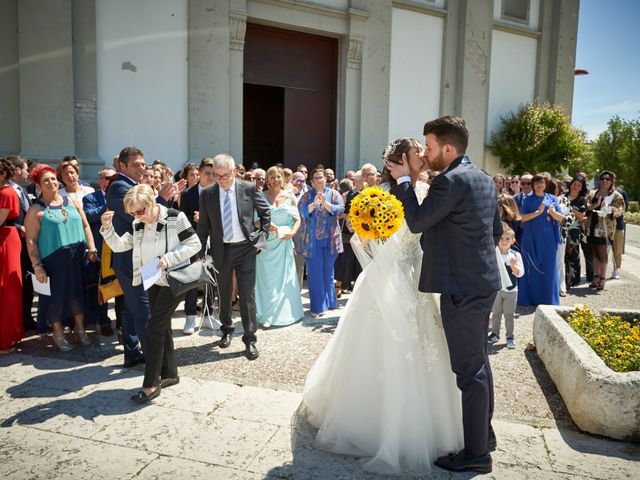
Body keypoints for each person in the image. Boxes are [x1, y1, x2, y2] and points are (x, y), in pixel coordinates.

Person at [302, 138, 463, 475]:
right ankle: (373, 424)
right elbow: (364, 238)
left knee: (426, 346)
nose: (422, 154)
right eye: (417, 151)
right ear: (400, 160)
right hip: (388, 276)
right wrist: (380, 253)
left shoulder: (430, 189)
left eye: (423, 150)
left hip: (419, 275)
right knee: (384, 345)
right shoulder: (381, 196)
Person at [387, 116, 502, 474]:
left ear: (448, 149)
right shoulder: (483, 179)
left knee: (469, 371)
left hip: (462, 288)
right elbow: (495, 230)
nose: (427, 152)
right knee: (479, 361)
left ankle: (477, 453)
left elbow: (418, 222)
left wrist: (405, 180)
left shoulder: (449, 181)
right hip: (482, 283)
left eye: (431, 146)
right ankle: (485, 434)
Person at [100, 184, 201, 403]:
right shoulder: (138, 224)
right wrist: (107, 228)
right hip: (151, 278)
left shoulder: (175, 217)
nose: (137, 216)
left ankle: (151, 383)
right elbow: (120, 246)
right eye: (133, 213)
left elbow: (195, 244)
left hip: (174, 278)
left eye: (140, 211)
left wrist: (169, 258)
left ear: (152, 203)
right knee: (161, 327)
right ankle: (170, 374)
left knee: (153, 328)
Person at [196, 154, 270, 360]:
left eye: (225, 175)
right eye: (217, 176)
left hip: (246, 249)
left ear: (234, 172)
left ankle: (250, 339)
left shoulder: (247, 187)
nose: (221, 180)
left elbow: (266, 213)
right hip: (221, 250)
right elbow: (203, 227)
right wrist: (200, 254)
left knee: (247, 296)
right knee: (225, 294)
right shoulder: (208, 194)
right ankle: (227, 329)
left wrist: (260, 239)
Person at [24, 165, 98, 351]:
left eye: (53, 179)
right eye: (45, 180)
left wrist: (92, 248)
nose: (51, 183)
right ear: (39, 185)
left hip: (77, 257)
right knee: (56, 299)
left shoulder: (71, 200)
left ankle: (80, 329)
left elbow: (86, 226)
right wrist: (37, 266)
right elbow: (31, 240)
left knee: (78, 295)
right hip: (53, 261)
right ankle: (57, 333)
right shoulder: (35, 210)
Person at [106, 147, 149, 367]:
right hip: (128, 258)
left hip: (142, 257)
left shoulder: (135, 186)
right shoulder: (119, 187)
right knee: (142, 307)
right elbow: (137, 216)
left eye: (143, 164)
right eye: (136, 164)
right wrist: (159, 197)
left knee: (134, 307)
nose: (141, 168)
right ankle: (151, 355)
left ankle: (132, 353)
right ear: (122, 166)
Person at [255, 166, 304, 328]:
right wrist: (266, 224)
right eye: (272, 177)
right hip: (266, 245)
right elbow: (254, 221)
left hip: (283, 242)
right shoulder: (261, 197)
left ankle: (284, 314)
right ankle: (267, 315)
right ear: (268, 179)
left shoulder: (290, 196)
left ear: (282, 179)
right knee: (267, 281)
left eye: (278, 177)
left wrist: (292, 233)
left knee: (283, 281)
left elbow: (297, 219)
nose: (276, 180)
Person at [297, 166, 344, 318]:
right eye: (315, 178)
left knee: (328, 271)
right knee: (315, 273)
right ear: (311, 181)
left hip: (331, 238)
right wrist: (315, 204)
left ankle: (330, 303)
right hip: (312, 241)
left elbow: (340, 210)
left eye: (321, 177)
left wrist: (326, 204)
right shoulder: (306, 196)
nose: (318, 180)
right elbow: (302, 213)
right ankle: (317, 307)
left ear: (326, 179)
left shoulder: (334, 193)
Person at [179, 157, 217, 334]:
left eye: (213, 174)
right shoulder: (188, 194)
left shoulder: (218, 192)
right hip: (193, 242)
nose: (210, 177)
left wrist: (208, 220)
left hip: (214, 240)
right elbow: (182, 220)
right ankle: (189, 317)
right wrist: (195, 222)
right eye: (207, 173)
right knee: (193, 279)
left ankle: (208, 315)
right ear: (199, 173)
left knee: (211, 278)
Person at [517, 174, 565, 306]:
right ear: (533, 184)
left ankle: (548, 299)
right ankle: (529, 299)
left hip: (548, 239)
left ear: (546, 184)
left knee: (548, 267)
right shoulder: (528, 200)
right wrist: (538, 212)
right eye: (537, 182)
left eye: (542, 182)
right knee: (531, 267)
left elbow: (561, 218)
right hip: (531, 238)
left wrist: (553, 213)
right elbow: (521, 218)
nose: (539, 185)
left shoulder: (552, 198)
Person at [83, 167, 117, 336]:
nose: (108, 181)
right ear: (99, 180)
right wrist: (108, 204)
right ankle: (103, 320)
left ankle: (121, 324)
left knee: (120, 288)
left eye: (111, 178)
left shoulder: (122, 196)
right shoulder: (90, 198)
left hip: (118, 249)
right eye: (104, 178)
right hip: (100, 248)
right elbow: (89, 217)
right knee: (101, 287)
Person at [6, 155, 36, 331]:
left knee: (27, 282)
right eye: (25, 169)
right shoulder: (6, 190)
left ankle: (25, 317)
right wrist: (19, 228)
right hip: (14, 243)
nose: (28, 172)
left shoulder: (21, 190)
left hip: (26, 245)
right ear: (17, 171)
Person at [584, 171, 625, 291]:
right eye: (603, 178)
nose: (605, 181)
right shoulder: (592, 193)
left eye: (608, 179)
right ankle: (596, 275)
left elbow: (620, 210)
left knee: (602, 253)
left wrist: (610, 210)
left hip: (605, 229)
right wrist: (592, 206)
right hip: (591, 226)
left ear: (612, 181)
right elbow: (586, 206)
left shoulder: (617, 195)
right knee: (594, 252)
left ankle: (603, 277)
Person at [0, 157, 24, 353]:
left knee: (7, 288)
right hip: (4, 237)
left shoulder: (7, 193)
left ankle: (7, 337)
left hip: (6, 239)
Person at [487, 225, 524, 349]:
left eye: (507, 239)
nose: (504, 241)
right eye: (501, 238)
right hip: (496, 289)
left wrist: (513, 266)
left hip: (511, 291)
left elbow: (520, 273)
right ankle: (495, 334)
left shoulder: (515, 255)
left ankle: (510, 336)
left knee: (509, 315)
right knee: (496, 313)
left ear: (513, 240)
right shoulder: (493, 253)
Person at [564, 176, 588, 289]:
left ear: (581, 188)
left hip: (574, 230)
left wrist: (570, 208)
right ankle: (562, 280)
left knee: (573, 254)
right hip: (561, 229)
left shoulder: (581, 200)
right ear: (570, 184)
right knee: (562, 255)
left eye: (579, 185)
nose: (575, 187)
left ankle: (573, 280)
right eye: (574, 184)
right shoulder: (562, 196)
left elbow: (582, 216)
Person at [612, 182, 629, 280]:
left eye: (609, 180)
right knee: (601, 249)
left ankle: (616, 269)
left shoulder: (621, 192)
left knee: (617, 250)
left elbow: (624, 207)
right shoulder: (602, 192)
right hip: (603, 227)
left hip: (618, 225)